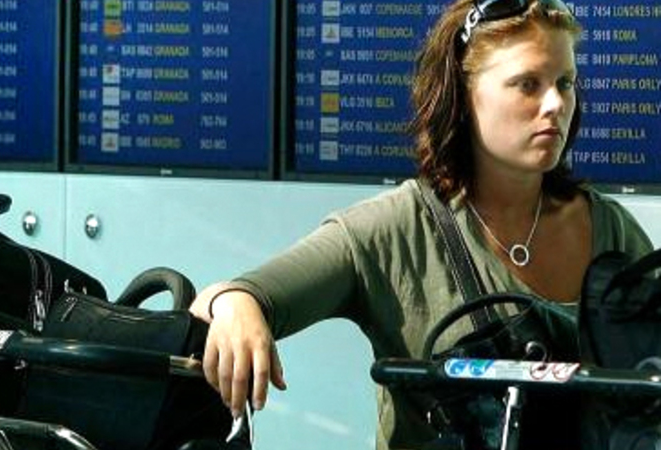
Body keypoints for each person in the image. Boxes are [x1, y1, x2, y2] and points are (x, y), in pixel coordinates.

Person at [189, 0, 654, 448]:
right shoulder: (396, 228)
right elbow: (231, 297)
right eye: (527, 84)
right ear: (464, 96)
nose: (555, 103)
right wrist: (236, 305)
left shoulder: (609, 228)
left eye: (565, 82)